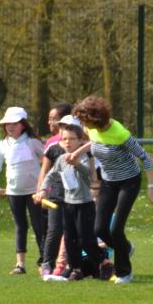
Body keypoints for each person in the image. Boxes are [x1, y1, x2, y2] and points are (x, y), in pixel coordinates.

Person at [67, 96, 153, 283]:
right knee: (99, 228)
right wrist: (77, 152)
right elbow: (95, 142)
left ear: (95, 119)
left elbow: (145, 158)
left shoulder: (120, 133)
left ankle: (125, 273)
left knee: (116, 229)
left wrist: (151, 188)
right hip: (108, 181)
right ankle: (125, 248)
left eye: (84, 120)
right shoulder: (91, 129)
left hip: (129, 181)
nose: (82, 125)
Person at [0, 106, 47, 274]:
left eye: (14, 123)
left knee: (39, 225)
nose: (10, 127)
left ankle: (44, 261)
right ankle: (20, 264)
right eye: (7, 124)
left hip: (35, 192)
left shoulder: (32, 141)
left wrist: (45, 186)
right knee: (20, 226)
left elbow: (47, 161)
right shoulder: (3, 144)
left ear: (22, 124)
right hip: (13, 192)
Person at [43, 118, 102, 281]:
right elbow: (51, 175)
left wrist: (76, 163)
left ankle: (103, 262)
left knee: (86, 239)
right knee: (70, 238)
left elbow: (89, 177)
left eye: (71, 139)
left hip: (84, 204)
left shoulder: (84, 157)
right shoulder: (61, 159)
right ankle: (75, 268)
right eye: (64, 139)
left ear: (81, 141)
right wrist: (42, 190)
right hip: (68, 204)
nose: (67, 142)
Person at [37, 102, 74, 276]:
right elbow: (44, 172)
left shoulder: (82, 148)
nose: (64, 131)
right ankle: (46, 263)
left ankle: (71, 266)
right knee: (54, 229)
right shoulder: (52, 148)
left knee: (72, 231)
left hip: (76, 197)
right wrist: (40, 192)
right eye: (62, 127)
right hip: (55, 195)